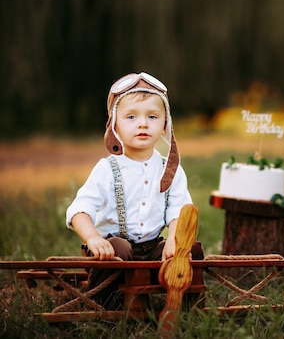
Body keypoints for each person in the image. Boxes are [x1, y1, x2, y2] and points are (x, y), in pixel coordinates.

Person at [65, 72, 204, 309]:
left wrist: (173, 239)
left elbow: (179, 210)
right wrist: (93, 238)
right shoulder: (107, 168)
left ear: (165, 125)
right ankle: (105, 302)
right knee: (119, 249)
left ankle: (186, 301)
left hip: (153, 247)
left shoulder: (170, 168)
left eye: (152, 116)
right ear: (114, 124)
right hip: (114, 247)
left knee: (190, 248)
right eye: (131, 117)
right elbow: (79, 210)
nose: (142, 123)